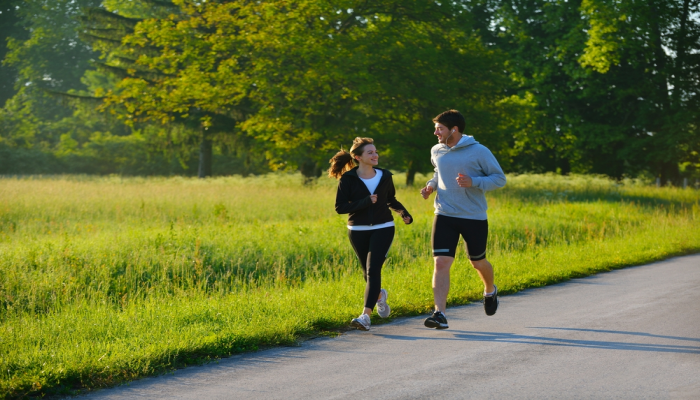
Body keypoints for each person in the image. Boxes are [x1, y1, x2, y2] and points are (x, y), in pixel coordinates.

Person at [420, 110, 506, 329]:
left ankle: (490, 290)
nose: (435, 132)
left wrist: (474, 182)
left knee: (477, 262)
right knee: (440, 262)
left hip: (473, 216)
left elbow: (499, 179)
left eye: (440, 128)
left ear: (454, 129)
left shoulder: (479, 151)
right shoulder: (436, 150)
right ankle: (440, 314)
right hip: (444, 213)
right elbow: (438, 173)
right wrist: (431, 185)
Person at [329, 137, 413, 331]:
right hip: (357, 229)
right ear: (358, 157)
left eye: (375, 152)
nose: (375, 155)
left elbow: (390, 199)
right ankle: (379, 296)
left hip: (384, 227)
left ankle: (365, 316)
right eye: (370, 152)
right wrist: (366, 201)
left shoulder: (385, 176)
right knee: (367, 272)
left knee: (373, 269)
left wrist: (403, 213)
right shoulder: (348, 179)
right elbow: (340, 207)